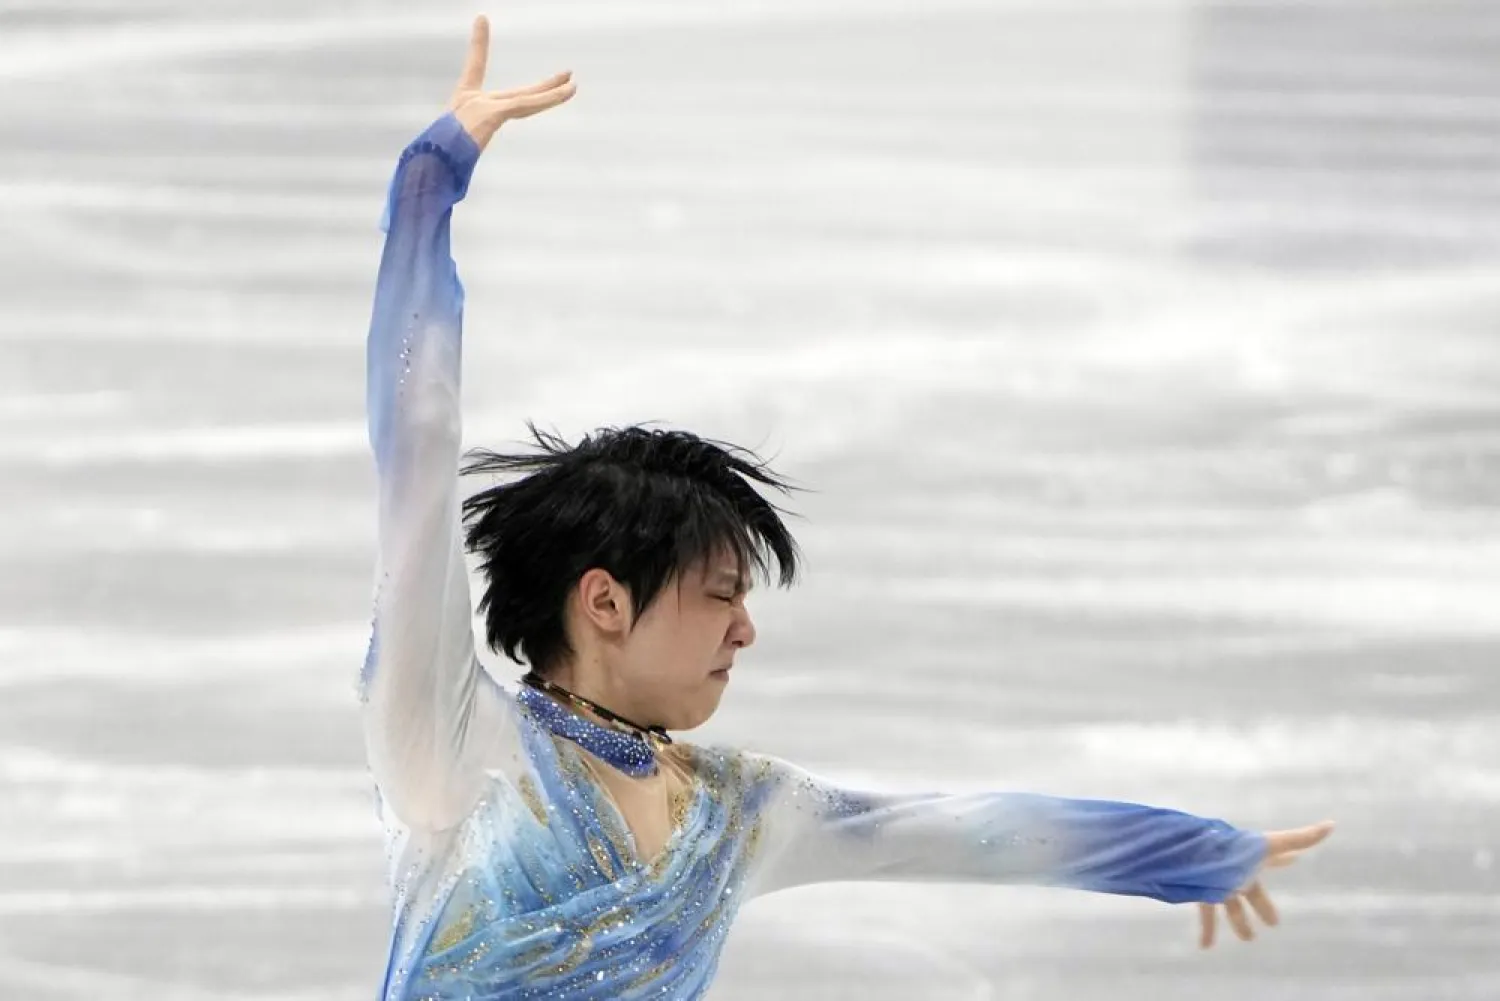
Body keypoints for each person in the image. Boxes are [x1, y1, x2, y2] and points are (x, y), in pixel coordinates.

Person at [359, 14, 1335, 1000]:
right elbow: (419, 452)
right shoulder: (457, 748)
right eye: (718, 592)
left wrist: (1190, 852)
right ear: (605, 600)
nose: (744, 627)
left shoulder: (734, 813)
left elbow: (961, 830)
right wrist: (430, 183)